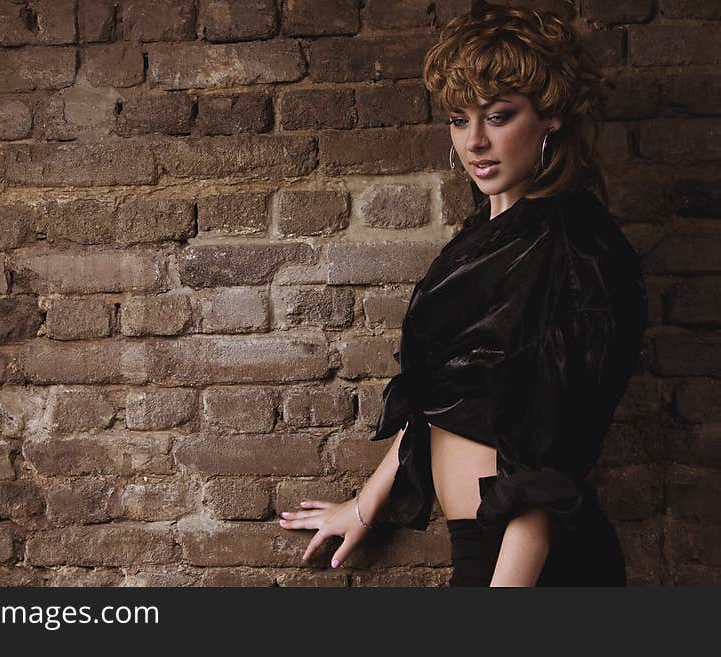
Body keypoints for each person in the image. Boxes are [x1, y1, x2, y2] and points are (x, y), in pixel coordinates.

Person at [277, 1, 647, 587]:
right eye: (458, 119)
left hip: (528, 563)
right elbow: (444, 398)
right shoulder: (485, 238)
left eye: (499, 116)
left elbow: (548, 456)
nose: (474, 141)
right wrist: (364, 505)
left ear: (550, 116)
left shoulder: (571, 249)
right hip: (487, 551)